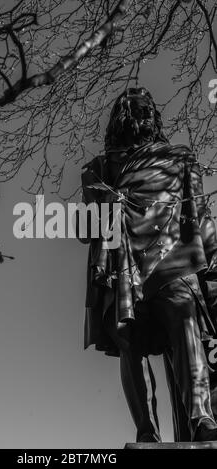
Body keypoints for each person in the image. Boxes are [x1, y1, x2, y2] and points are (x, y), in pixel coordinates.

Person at [76, 87, 217, 443]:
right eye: (133, 112)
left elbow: (201, 218)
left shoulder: (172, 159)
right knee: (149, 342)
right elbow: (83, 230)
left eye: (138, 112)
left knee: (167, 337)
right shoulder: (103, 167)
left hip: (154, 265)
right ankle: (163, 428)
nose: (136, 118)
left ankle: (184, 424)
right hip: (140, 265)